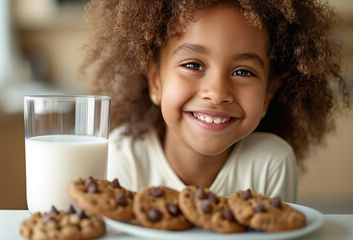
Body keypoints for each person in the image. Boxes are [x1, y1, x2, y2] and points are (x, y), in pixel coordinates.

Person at [79, 0, 350, 203]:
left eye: (243, 72)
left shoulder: (270, 163)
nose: (218, 92)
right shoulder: (122, 155)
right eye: (193, 64)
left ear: (268, 94)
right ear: (155, 82)